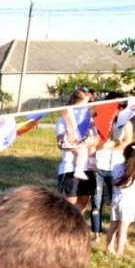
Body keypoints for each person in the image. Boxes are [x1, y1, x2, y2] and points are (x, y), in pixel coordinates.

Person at [92, 93, 132, 240]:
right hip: (99, 165)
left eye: (122, 106)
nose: (120, 110)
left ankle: (119, 235)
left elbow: (127, 143)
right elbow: (97, 143)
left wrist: (110, 144)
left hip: (117, 166)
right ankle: (96, 234)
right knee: (97, 201)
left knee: (118, 201)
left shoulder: (126, 123)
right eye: (117, 106)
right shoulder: (100, 121)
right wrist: (114, 141)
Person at [56, 89, 99, 219]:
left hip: (88, 169)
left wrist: (86, 143)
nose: (89, 106)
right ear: (77, 102)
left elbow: (96, 139)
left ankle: (77, 233)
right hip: (70, 170)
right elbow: (62, 143)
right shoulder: (64, 120)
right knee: (69, 208)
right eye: (87, 102)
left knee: (83, 204)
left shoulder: (89, 120)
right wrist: (81, 145)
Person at [107, 142, 135, 257]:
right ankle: (119, 252)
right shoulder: (134, 171)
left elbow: (113, 181)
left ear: (125, 153)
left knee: (113, 226)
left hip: (116, 200)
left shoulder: (117, 167)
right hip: (129, 202)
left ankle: (109, 248)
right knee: (123, 229)